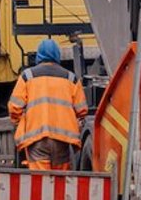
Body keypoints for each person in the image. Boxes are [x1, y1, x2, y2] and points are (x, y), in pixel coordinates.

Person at [8, 38, 88, 172]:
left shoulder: (27, 77)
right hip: (62, 140)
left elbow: (14, 107)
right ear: (57, 55)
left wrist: (19, 123)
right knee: (60, 180)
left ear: (39, 56)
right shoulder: (71, 78)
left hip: (37, 140)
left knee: (40, 180)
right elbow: (82, 110)